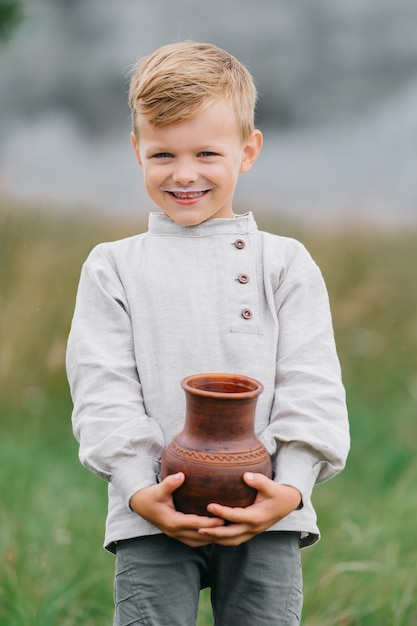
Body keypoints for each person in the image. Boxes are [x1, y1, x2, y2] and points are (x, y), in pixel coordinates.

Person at [66, 41, 349, 626]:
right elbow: (102, 387)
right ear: (136, 149)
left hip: (266, 515)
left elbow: (312, 382)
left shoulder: (285, 262)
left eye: (207, 153)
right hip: (150, 513)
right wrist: (137, 487)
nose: (185, 173)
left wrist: (290, 487)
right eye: (163, 153)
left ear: (248, 151)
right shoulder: (113, 266)